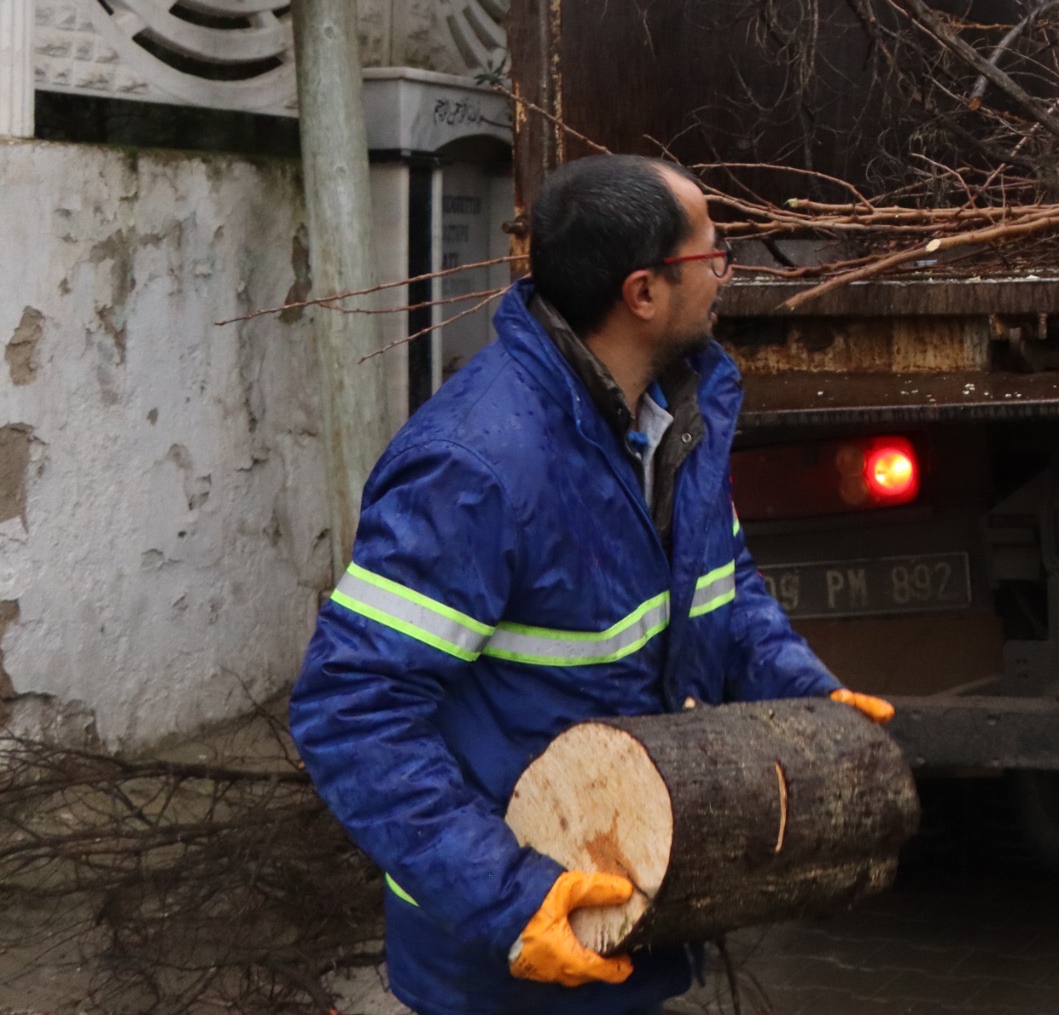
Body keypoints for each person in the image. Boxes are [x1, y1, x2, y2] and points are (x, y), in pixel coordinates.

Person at [290, 154, 893, 1015]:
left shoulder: (673, 415)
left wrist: (807, 701)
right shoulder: (477, 468)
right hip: (506, 948)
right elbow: (348, 710)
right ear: (642, 293)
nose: (726, 274)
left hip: (621, 903)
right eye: (710, 257)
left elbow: (723, 591)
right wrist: (512, 899)